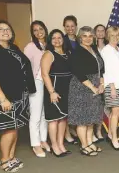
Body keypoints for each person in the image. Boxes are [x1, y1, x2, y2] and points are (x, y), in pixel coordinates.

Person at [0, 20, 36, 172]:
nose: (5, 31)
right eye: (0, 29)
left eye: (8, 29)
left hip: (19, 96)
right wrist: (2, 98)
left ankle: (11, 157)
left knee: (15, 128)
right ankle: (4, 160)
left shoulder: (14, 48)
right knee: (8, 130)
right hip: (2, 98)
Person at [68, 26, 105, 156]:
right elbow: (78, 72)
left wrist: (101, 83)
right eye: (85, 36)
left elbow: (102, 68)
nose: (88, 38)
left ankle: (89, 142)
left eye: (90, 36)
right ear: (80, 37)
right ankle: (84, 145)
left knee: (91, 118)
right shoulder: (76, 52)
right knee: (82, 119)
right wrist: (93, 87)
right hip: (81, 87)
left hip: (95, 85)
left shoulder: (94, 49)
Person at [41, 29, 73, 157]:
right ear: (50, 40)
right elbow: (44, 74)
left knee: (63, 118)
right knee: (54, 119)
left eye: (59, 37)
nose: (57, 40)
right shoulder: (49, 54)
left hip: (66, 89)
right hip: (54, 89)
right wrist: (51, 92)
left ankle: (61, 143)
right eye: (54, 38)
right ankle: (54, 145)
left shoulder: (67, 53)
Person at [23, 20, 51, 157]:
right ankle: (35, 144)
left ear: (45, 29)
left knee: (44, 114)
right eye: (35, 30)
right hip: (36, 82)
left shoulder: (49, 45)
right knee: (35, 115)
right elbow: (25, 67)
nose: (38, 32)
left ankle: (43, 140)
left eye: (41, 28)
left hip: (48, 82)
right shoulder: (30, 46)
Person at [100, 26, 119, 151]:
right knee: (116, 112)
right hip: (112, 86)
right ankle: (114, 139)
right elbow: (107, 71)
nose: (115, 38)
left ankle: (110, 134)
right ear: (108, 37)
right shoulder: (107, 50)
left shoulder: (117, 49)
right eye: (112, 36)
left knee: (114, 112)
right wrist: (112, 87)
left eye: (117, 36)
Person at [63, 15, 80, 145]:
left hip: (79, 77)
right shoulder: (61, 40)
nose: (70, 28)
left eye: (72, 26)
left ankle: (74, 129)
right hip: (67, 77)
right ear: (64, 27)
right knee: (67, 106)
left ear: (76, 26)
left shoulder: (80, 39)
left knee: (76, 105)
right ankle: (67, 133)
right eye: (67, 26)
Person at [92, 24, 108, 143]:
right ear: (95, 33)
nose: (101, 33)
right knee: (94, 106)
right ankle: (93, 131)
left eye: (103, 31)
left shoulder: (110, 46)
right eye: (98, 31)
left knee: (103, 106)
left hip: (108, 78)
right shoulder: (91, 47)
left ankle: (99, 130)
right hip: (95, 79)